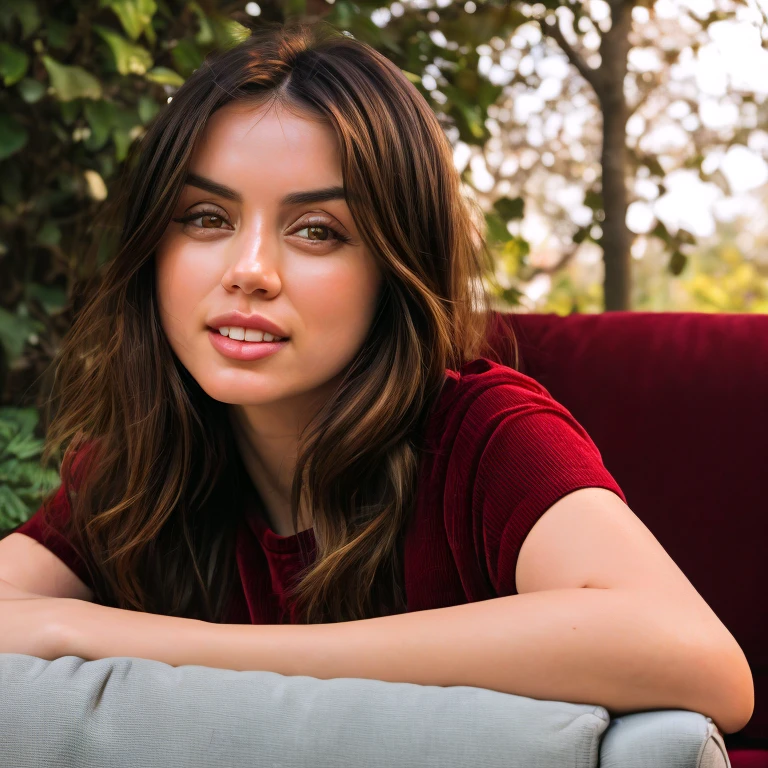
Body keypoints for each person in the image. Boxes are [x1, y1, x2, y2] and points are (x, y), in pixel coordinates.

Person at [1, 22, 753, 735]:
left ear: (394, 269)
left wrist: (123, 638)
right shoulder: (145, 464)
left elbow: (699, 657)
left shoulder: (483, 435)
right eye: (205, 217)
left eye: (317, 231)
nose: (250, 271)